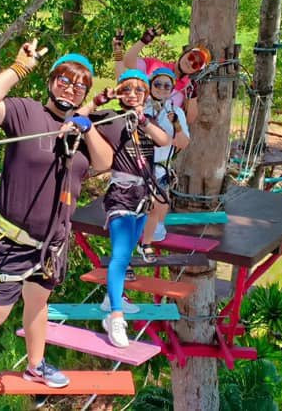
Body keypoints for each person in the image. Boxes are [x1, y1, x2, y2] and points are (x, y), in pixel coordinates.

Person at [0, 41, 114, 411]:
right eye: (64, 81)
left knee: (38, 304)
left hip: (52, 243)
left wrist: (86, 127)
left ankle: (36, 366)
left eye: (79, 85)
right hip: (12, 240)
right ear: (51, 82)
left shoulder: (84, 131)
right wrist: (20, 67)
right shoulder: (25, 113)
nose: (71, 89)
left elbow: (104, 163)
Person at [87, 69, 171, 348]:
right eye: (127, 89)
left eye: (139, 90)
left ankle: (112, 298)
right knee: (120, 257)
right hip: (121, 195)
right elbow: (77, 116)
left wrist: (142, 119)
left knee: (127, 253)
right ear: (118, 92)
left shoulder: (148, 120)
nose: (133, 94)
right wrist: (99, 100)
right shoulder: (110, 117)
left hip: (143, 194)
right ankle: (115, 316)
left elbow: (164, 141)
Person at [139, 67, 190, 263]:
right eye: (157, 84)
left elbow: (183, 143)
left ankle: (148, 242)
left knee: (158, 218)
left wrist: (176, 124)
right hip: (139, 169)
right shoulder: (141, 109)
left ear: (172, 89)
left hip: (160, 170)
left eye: (166, 85)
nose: (161, 88)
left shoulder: (176, 112)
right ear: (150, 86)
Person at [113, 27, 212, 124]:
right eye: (191, 57)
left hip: (160, 134)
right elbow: (127, 62)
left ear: (196, 71)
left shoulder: (187, 88)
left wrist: (193, 94)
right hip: (134, 122)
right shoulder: (155, 65)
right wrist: (143, 41)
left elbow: (190, 120)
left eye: (196, 65)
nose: (190, 63)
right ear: (185, 53)